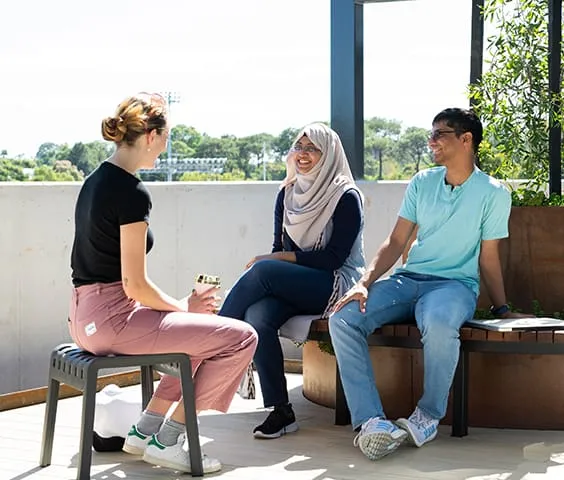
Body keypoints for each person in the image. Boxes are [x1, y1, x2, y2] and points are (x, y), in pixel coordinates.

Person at [68, 93, 258, 474]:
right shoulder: (131, 192)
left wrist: (183, 310)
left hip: (83, 318)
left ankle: (147, 430)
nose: (167, 145)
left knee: (200, 339)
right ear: (151, 136)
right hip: (113, 319)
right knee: (242, 337)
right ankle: (171, 439)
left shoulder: (95, 180)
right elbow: (134, 284)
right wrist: (184, 307)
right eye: (167, 136)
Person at [327, 107, 532, 461]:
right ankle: (371, 422)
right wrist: (363, 283)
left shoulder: (494, 193)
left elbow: (488, 258)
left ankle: (428, 415)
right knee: (342, 318)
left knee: (439, 325)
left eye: (440, 134)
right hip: (407, 281)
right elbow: (395, 242)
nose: (431, 140)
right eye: (431, 133)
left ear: (466, 140)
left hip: (454, 287)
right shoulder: (422, 182)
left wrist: (501, 307)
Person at [218, 123, 365, 439]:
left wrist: (275, 262)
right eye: (299, 147)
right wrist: (276, 260)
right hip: (298, 284)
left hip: (334, 283)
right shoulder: (287, 193)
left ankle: (213, 340)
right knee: (258, 316)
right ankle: (281, 411)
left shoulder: (345, 196)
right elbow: (279, 249)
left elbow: (333, 259)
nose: (303, 154)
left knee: (263, 270)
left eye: (312, 148)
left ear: (328, 155)